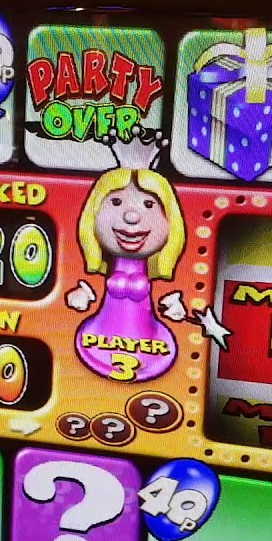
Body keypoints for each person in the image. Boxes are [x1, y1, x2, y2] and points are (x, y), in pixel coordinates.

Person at [66, 128, 185, 383]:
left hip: (151, 344)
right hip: (97, 338)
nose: (131, 217)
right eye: (116, 202)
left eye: (149, 204)